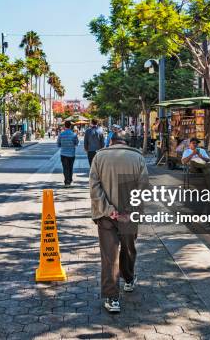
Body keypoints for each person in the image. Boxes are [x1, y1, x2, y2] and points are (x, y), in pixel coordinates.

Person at [89, 130, 149, 313]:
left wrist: (109, 210)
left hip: (106, 216)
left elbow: (94, 186)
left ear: (111, 141)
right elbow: (143, 186)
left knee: (109, 256)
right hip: (129, 215)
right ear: (127, 142)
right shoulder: (137, 158)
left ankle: (112, 298)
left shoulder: (99, 157)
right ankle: (129, 279)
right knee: (129, 248)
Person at [57, 120, 79, 187]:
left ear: (64, 126)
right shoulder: (74, 134)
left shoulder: (61, 134)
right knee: (70, 167)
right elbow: (77, 143)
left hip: (63, 153)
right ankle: (70, 179)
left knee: (65, 167)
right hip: (72, 153)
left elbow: (58, 144)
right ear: (70, 126)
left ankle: (67, 181)